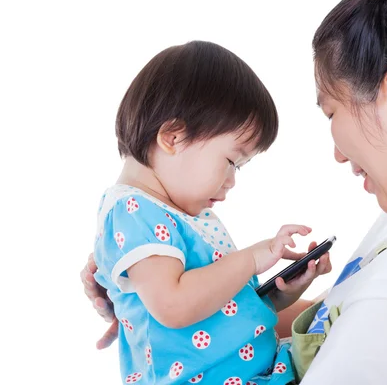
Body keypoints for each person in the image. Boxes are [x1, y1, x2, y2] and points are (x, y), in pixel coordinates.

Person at [83, 0, 387, 383]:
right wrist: (138, 278)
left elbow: (379, 318)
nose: (337, 152)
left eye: (331, 111)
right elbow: (332, 321)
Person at [90, 40, 331, 385]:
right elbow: (174, 305)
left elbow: (221, 312)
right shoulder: (132, 211)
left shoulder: (190, 216)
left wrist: (281, 292)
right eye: (232, 161)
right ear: (173, 137)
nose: (232, 180)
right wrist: (251, 258)